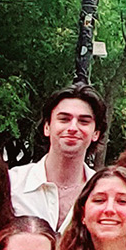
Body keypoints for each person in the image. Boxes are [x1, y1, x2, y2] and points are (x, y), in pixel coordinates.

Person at [10, 85, 108, 230]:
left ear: (96, 133)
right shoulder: (13, 184)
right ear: (47, 127)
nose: (73, 128)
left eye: (84, 121)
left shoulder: (105, 192)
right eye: (64, 119)